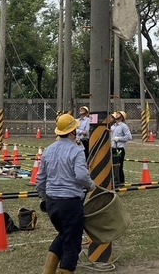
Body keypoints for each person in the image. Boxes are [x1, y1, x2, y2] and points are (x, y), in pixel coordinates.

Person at [36, 113, 95, 274]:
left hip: (52, 204)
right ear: (72, 132)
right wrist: (91, 186)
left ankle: (48, 271)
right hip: (70, 203)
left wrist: (45, 198)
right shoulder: (76, 151)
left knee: (64, 235)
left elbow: (40, 180)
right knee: (72, 243)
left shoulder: (48, 150)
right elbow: (82, 176)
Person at [110, 110, 132, 184]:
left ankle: (120, 181)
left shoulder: (123, 126)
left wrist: (119, 139)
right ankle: (114, 180)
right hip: (112, 148)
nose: (117, 115)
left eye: (119, 114)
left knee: (118, 165)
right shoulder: (113, 126)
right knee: (113, 165)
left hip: (119, 149)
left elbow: (129, 137)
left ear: (122, 117)